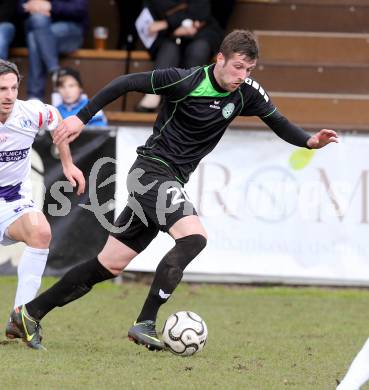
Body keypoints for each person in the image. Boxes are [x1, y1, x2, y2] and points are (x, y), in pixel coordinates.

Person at [10, 30, 338, 351]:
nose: (243, 75)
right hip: (151, 173)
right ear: (219, 58)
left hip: (167, 180)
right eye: (237, 66)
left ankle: (29, 313)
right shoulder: (185, 81)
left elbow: (276, 119)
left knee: (108, 264)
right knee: (194, 237)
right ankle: (145, 322)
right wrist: (81, 118)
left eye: (249, 69)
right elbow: (124, 83)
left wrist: (308, 141)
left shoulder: (246, 93)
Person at [0, 59, 85, 342]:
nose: (9, 95)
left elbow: (57, 121)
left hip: (12, 200)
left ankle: (20, 319)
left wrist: (67, 164)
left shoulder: (30, 113)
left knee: (41, 231)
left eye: (13, 88)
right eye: (2, 89)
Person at [136, 0, 223, 112]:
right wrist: (172, 30)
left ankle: (190, 97)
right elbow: (150, 22)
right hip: (168, 36)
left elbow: (202, 11)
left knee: (197, 49)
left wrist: (167, 23)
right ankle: (155, 92)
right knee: (169, 49)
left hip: (201, 31)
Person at [20, 0, 88, 100]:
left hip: (70, 31)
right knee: (38, 20)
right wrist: (29, 6)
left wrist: (51, 6)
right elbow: (16, 7)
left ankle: (35, 96)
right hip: (35, 25)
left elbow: (80, 8)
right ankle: (55, 71)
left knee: (34, 36)